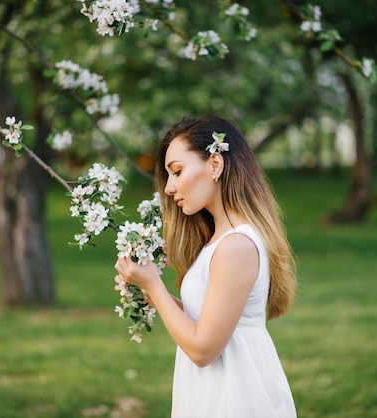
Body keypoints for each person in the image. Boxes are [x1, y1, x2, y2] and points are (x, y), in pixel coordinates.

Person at [114, 115, 297, 417]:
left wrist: (155, 286)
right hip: (216, 390)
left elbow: (203, 349)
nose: (169, 188)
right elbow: (211, 320)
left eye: (177, 171)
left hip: (235, 397)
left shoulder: (236, 246)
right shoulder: (221, 241)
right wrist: (151, 296)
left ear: (214, 164)